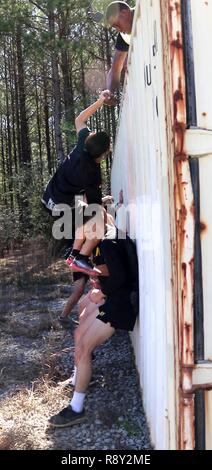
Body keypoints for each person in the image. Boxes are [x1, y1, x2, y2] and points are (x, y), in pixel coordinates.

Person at [48, 222, 139, 428]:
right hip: (113, 298)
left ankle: (76, 409)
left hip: (120, 304)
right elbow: (110, 270)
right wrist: (97, 278)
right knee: (79, 336)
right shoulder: (104, 239)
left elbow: (121, 278)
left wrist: (100, 287)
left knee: (84, 346)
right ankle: (81, 374)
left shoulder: (109, 242)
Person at [42, 90, 112, 275]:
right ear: (103, 154)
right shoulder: (91, 173)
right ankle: (79, 257)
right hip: (60, 207)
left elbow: (79, 120)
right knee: (100, 221)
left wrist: (100, 102)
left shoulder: (83, 144)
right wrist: (101, 202)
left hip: (48, 197)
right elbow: (95, 206)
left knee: (90, 209)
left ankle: (73, 252)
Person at [92, 2, 135, 104]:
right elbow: (115, 69)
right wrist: (109, 92)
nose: (119, 29)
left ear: (124, 13)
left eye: (117, 24)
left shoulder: (145, 8)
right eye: (115, 27)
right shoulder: (124, 37)